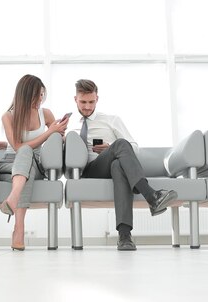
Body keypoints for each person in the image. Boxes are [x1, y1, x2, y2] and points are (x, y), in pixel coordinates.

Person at [67, 79, 178, 251]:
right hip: (86, 170)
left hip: (109, 165)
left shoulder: (111, 120)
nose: (87, 106)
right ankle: (151, 196)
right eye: (83, 102)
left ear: (97, 98)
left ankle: (124, 237)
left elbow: (133, 148)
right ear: (75, 99)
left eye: (91, 102)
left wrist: (110, 149)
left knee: (119, 162)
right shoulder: (68, 123)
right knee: (120, 146)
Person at [0, 74, 68, 251]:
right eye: (36, 95)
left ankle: (15, 212)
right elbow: (18, 146)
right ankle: (19, 229)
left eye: (42, 94)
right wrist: (48, 132)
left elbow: (58, 138)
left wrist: (59, 133)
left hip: (36, 162)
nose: (40, 99)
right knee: (26, 154)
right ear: (25, 95)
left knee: (29, 156)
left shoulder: (46, 114)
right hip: (11, 163)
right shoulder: (8, 116)